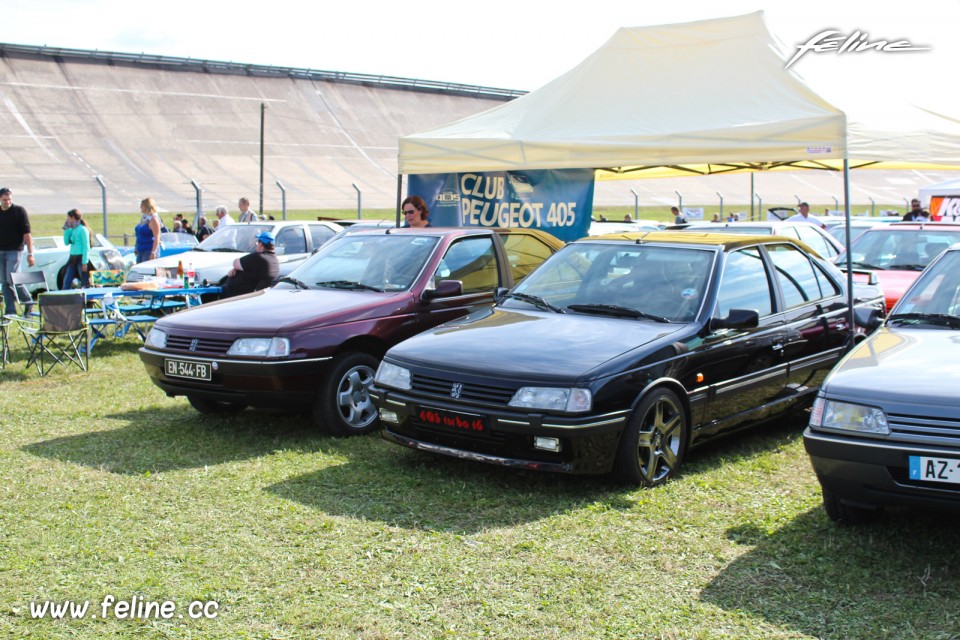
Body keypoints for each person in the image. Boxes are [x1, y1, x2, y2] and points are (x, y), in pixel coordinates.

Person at [0, 187, 35, 315]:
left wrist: (31, 253)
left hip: (15, 250)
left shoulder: (19, 211)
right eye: (5, 200)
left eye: (9, 199)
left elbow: (27, 233)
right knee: (4, 282)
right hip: (1, 250)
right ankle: (10, 310)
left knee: (12, 279)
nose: (7, 202)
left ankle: (28, 301)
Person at [221, 230, 280, 298]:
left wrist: (235, 268)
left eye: (257, 242)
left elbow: (236, 263)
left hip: (237, 295)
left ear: (261, 244)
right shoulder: (274, 259)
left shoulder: (259, 257)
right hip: (248, 293)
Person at [62, 208, 91, 289]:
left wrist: (85, 262)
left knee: (84, 282)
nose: (67, 219)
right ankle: (66, 298)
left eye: (68, 218)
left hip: (81, 258)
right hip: (72, 258)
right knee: (67, 281)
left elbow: (86, 246)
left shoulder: (82, 229)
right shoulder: (72, 229)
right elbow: (66, 242)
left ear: (73, 218)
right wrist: (66, 230)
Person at [134, 197, 162, 263]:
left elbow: (157, 237)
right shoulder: (144, 218)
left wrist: (153, 252)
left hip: (149, 250)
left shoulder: (153, 219)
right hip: (141, 249)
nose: (140, 207)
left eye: (142, 206)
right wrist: (136, 247)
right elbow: (139, 234)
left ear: (147, 206)